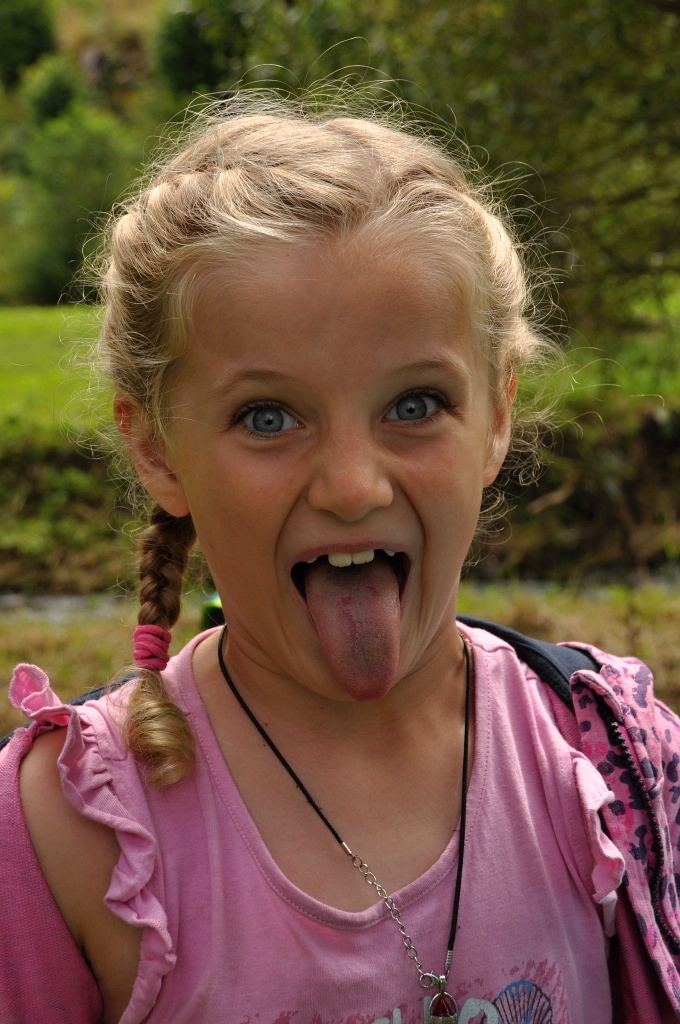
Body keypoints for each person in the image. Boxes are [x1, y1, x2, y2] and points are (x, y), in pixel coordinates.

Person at [1, 90, 679, 1024]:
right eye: (267, 418)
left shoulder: (610, 768)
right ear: (155, 447)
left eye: (414, 406)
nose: (353, 487)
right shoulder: (71, 833)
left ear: (497, 416)